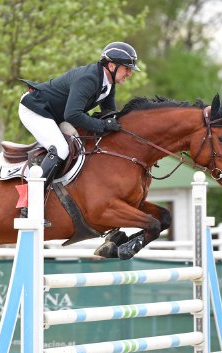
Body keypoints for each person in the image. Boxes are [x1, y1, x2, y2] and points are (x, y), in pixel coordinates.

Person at [17, 41, 140, 222]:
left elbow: (109, 113)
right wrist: (104, 126)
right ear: (112, 66)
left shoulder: (108, 82)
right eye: (126, 69)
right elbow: (73, 114)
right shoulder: (89, 79)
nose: (129, 73)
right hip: (36, 109)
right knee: (61, 149)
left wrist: (125, 126)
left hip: (57, 115)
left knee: (81, 143)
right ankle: (31, 206)